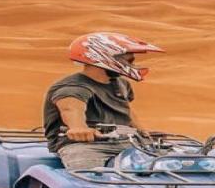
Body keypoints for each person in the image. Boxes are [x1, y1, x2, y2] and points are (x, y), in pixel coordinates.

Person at [42, 32, 164, 170]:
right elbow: (71, 109)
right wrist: (78, 128)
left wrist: (142, 132)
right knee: (91, 178)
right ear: (104, 57)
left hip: (125, 142)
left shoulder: (120, 83)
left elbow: (126, 110)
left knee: (175, 166)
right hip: (86, 146)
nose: (133, 65)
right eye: (129, 61)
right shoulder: (74, 87)